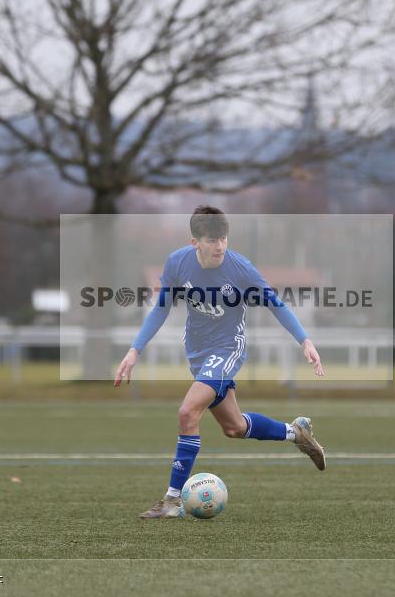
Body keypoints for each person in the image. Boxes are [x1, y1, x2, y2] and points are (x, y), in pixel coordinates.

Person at [114, 205, 326, 519]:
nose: (220, 246)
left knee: (188, 412)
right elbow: (161, 308)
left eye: (223, 238)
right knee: (235, 427)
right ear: (194, 242)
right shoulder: (177, 263)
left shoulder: (240, 268)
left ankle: (172, 501)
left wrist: (304, 340)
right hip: (198, 353)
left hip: (228, 349)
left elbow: (275, 303)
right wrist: (135, 350)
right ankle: (296, 432)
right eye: (212, 240)